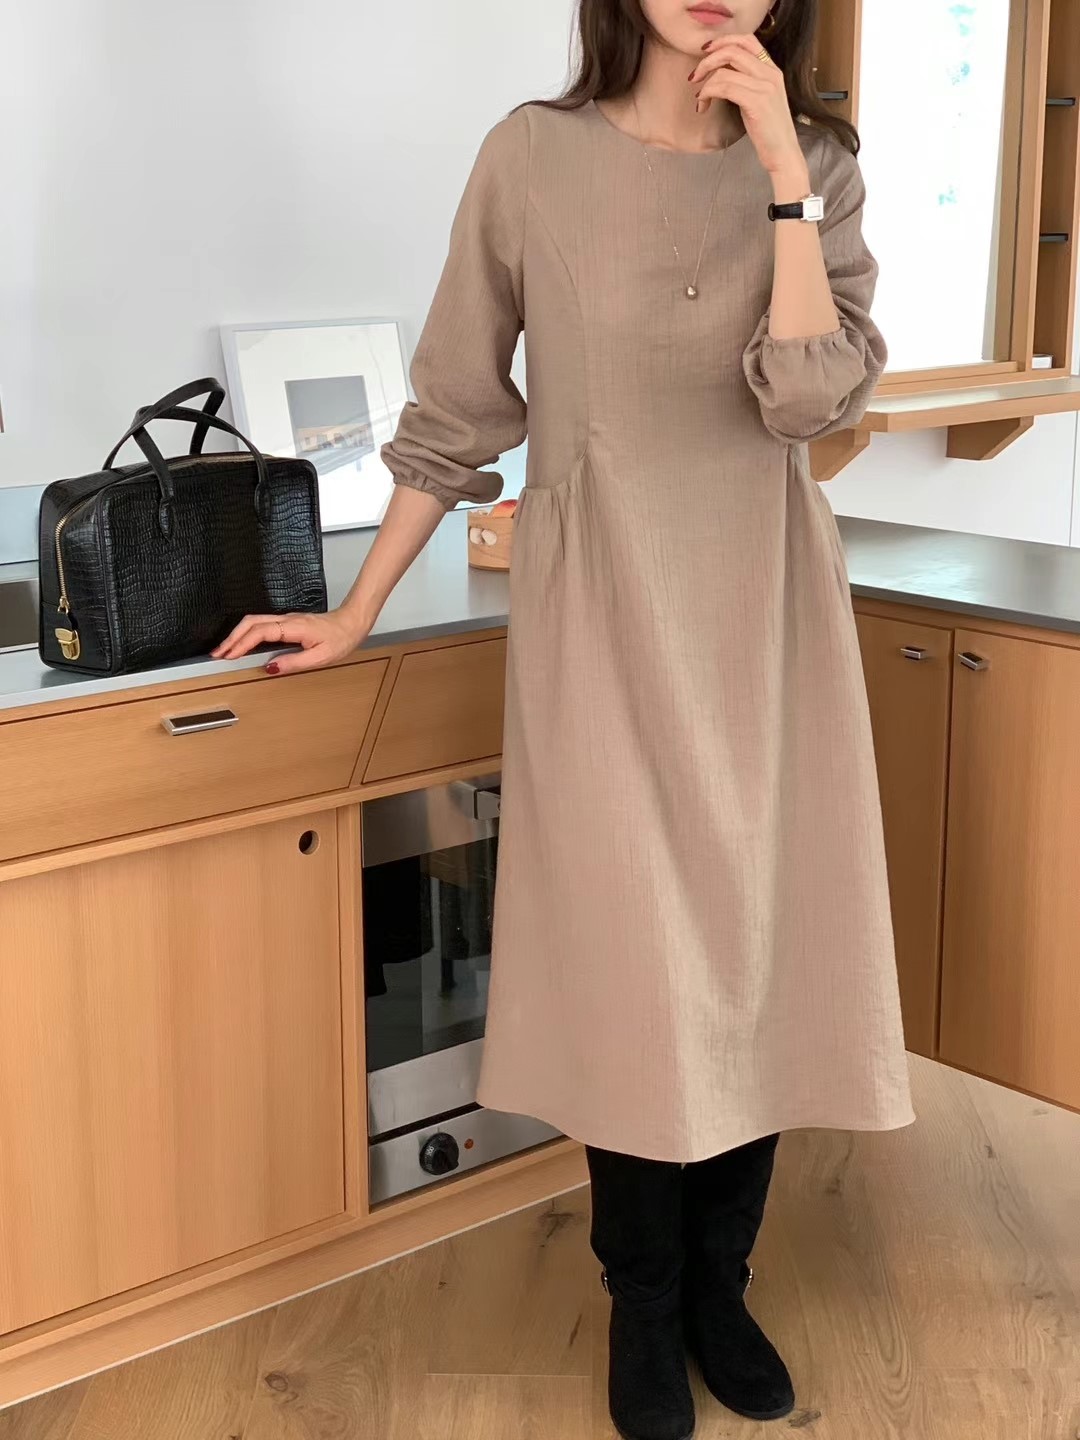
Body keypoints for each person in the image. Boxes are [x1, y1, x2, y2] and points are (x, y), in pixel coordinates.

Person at [215, 1, 914, 1434]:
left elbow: (806, 404)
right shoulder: (532, 156)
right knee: (627, 970)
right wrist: (353, 612)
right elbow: (455, 409)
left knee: (762, 956)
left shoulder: (820, 166)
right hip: (601, 617)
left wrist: (784, 169)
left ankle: (722, 1285)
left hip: (767, 614)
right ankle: (644, 1300)